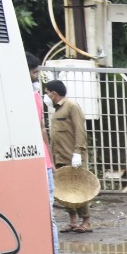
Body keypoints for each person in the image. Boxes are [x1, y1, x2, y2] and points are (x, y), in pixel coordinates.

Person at [27, 56, 70, 254]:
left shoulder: (37, 98)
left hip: (39, 161)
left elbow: (43, 130)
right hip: (36, 161)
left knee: (47, 215)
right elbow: (42, 130)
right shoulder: (31, 97)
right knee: (44, 215)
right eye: (34, 73)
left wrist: (51, 162)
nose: (37, 78)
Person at [45, 79, 90, 234]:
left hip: (73, 156)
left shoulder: (72, 107)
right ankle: (73, 221)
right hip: (60, 156)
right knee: (64, 191)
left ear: (54, 93)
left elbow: (80, 130)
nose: (46, 96)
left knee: (79, 189)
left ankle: (86, 221)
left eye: (47, 92)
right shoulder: (57, 110)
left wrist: (78, 151)